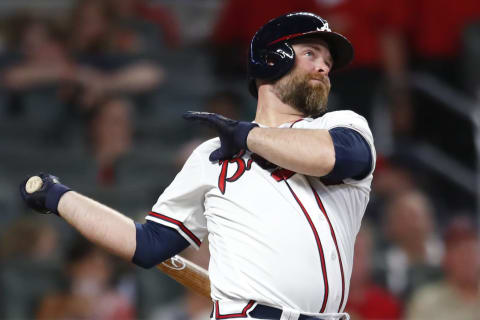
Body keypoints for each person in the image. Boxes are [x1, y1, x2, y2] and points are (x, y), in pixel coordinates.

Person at [20, 12, 375, 320]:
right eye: (310, 53)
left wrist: (246, 137)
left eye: (328, 60)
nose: (324, 66)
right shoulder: (212, 157)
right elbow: (148, 244)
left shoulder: (341, 127)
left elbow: (341, 158)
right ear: (272, 60)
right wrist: (58, 196)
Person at [405, 216, 480, 320]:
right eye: (459, 252)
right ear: (446, 259)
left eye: (471, 251)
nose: (466, 259)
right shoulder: (426, 302)